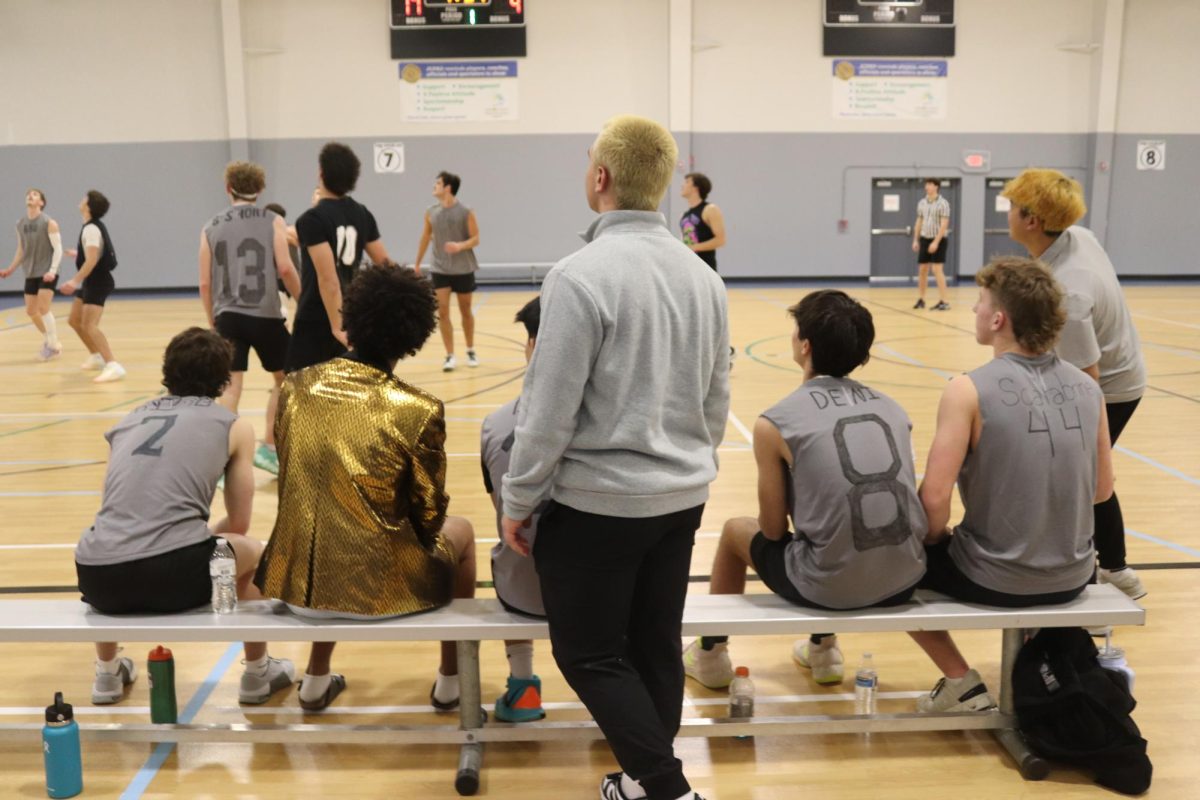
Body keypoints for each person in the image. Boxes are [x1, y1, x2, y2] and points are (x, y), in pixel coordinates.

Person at [501, 115, 729, 800]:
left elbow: (547, 414)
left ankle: (666, 786)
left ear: (600, 178)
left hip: (598, 506)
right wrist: (688, 464)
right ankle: (641, 781)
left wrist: (518, 499)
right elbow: (716, 400)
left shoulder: (577, 277)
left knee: (590, 653)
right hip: (681, 499)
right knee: (654, 645)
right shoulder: (702, 279)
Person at [255, 264, 477, 712]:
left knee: (333, 515)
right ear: (414, 336)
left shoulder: (294, 389)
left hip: (297, 588)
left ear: (351, 320)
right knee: (462, 530)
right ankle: (451, 679)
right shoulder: (417, 409)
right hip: (382, 595)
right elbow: (430, 515)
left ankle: (316, 679)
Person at [683, 290, 926, 689]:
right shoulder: (895, 408)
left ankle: (709, 654)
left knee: (734, 532)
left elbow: (774, 530)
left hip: (830, 587)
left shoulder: (777, 421)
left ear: (805, 345)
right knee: (837, 534)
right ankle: (823, 650)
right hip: (905, 575)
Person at [908, 256, 1113, 712]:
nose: (974, 312)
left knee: (888, 563)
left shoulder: (967, 389)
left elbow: (934, 499)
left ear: (998, 319)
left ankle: (960, 682)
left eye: (980, 303)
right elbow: (1101, 491)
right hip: (1074, 576)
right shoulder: (1088, 388)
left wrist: (935, 541)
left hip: (995, 576)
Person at [74, 327, 294, 706]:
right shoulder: (232, 424)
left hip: (98, 577)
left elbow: (114, 509)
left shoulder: (128, 420)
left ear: (167, 371)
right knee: (251, 549)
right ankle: (258, 673)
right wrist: (186, 539)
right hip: (174, 575)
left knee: (107, 540)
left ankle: (107, 674)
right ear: (224, 379)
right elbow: (238, 522)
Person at [1002, 168, 1147, 601]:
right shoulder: (1076, 236)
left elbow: (1088, 383)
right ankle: (1118, 569)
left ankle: (1100, 574)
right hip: (1114, 370)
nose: (1005, 212)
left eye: (1012, 206)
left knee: (1080, 478)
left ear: (1031, 220)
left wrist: (1091, 447)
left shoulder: (1069, 293)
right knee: (1085, 475)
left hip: (1111, 388)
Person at [200, 162, 302, 476]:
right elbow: (285, 268)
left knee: (230, 390)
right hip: (267, 314)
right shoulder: (274, 220)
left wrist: (213, 319)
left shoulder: (211, 225)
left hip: (227, 315)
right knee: (288, 382)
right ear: (260, 190)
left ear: (228, 188)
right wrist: (304, 301)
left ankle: (220, 462)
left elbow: (205, 282)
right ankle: (269, 447)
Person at [480, 296, 546, 723]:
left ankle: (522, 686)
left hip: (524, 594)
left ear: (533, 345)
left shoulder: (496, 423)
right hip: (601, 599)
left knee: (510, 546)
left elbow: (501, 512)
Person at [285, 142, 391, 373]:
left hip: (318, 316)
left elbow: (328, 279)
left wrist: (336, 326)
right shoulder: (362, 213)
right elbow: (386, 266)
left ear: (321, 173)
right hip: (352, 315)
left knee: (298, 391)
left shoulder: (312, 219)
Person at [414, 171, 480, 371]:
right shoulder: (430, 212)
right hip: (440, 268)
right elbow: (425, 237)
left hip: (463, 268)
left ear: (448, 188)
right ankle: (450, 355)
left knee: (465, 310)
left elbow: (476, 238)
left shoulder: (466, 211)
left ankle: (470, 349)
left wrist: (460, 246)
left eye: (438, 183)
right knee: (442, 311)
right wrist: (417, 263)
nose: (434, 186)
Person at [59, 191, 125, 382]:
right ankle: (96, 356)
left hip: (98, 281)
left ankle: (113, 365)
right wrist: (76, 253)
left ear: (88, 206)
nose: (81, 201)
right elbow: (91, 253)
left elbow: (93, 259)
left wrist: (74, 281)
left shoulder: (91, 229)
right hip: (92, 280)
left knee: (89, 325)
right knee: (74, 320)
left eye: (84, 199)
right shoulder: (90, 227)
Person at [2, 189, 63, 361]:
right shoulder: (20, 224)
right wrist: (10, 269)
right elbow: (21, 250)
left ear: (41, 202)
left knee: (43, 308)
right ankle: (50, 339)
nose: (30, 195)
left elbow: (58, 249)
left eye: (35, 194)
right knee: (31, 311)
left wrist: (52, 271)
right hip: (30, 272)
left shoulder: (49, 222)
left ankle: (52, 346)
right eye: (29, 194)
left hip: (47, 272)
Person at [912, 178, 951, 310]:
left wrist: (936, 242)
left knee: (937, 269)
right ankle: (921, 299)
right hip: (924, 238)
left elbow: (944, 224)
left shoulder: (943, 203)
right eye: (926, 184)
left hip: (938, 239)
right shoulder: (922, 203)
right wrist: (916, 239)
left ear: (936, 187)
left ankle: (944, 301)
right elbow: (919, 221)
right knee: (922, 270)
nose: (926, 187)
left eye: (929, 184)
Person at [678, 173, 726, 272]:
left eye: (687, 182)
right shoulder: (684, 215)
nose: (682, 185)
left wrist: (693, 248)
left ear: (696, 187)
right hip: (688, 267)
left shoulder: (710, 209)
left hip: (706, 268)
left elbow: (720, 240)